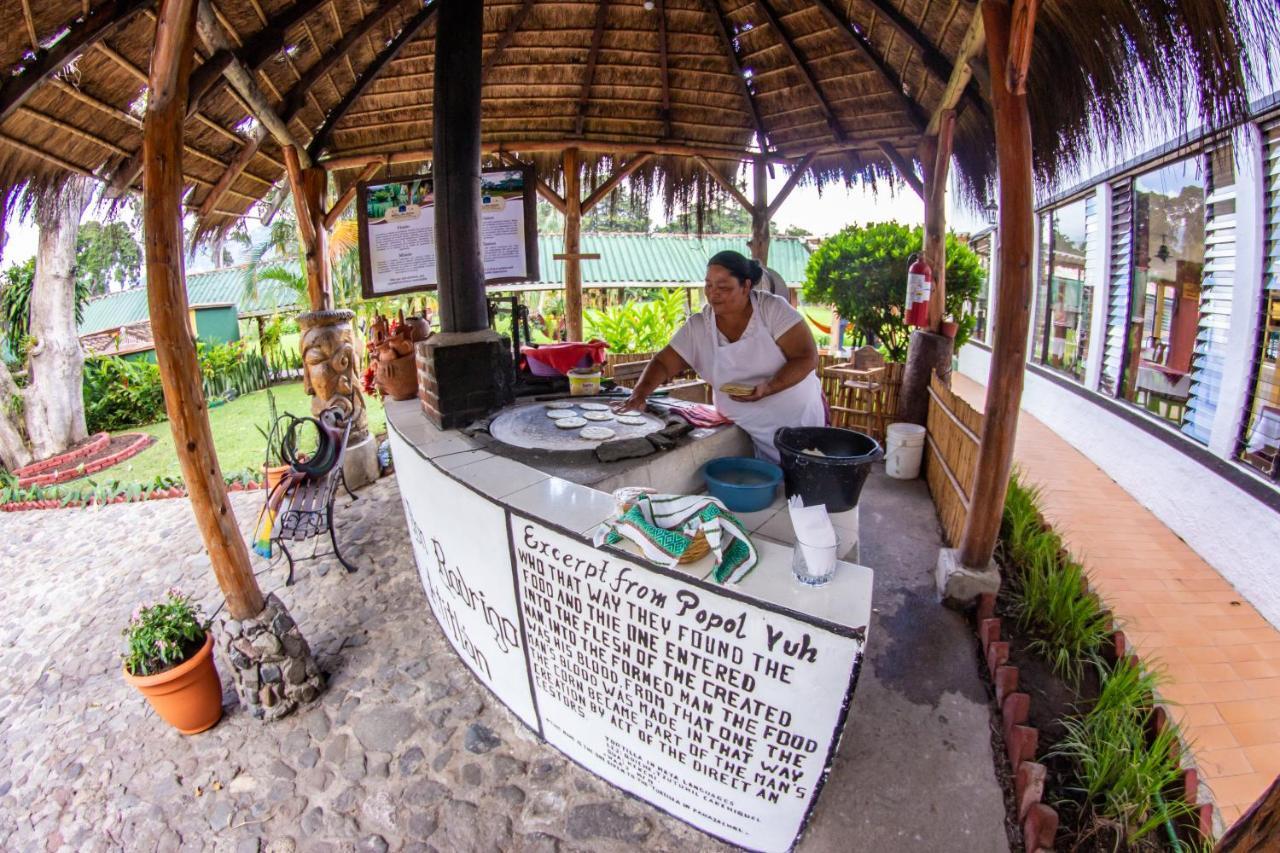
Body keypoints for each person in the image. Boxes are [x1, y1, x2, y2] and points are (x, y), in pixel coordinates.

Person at [615, 250, 826, 463]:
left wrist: (770, 386)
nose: (713, 293)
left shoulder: (772, 310)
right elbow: (663, 362)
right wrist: (639, 394)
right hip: (745, 423)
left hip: (796, 420)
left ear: (745, 286)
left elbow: (806, 357)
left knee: (806, 476)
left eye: (723, 287)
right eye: (708, 285)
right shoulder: (699, 326)